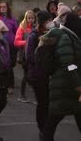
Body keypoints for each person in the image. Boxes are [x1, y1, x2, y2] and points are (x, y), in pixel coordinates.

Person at [38, 12, 81, 141]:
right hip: (64, 86)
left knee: (57, 117)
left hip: (67, 85)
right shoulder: (66, 38)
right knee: (54, 118)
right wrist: (77, 85)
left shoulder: (72, 37)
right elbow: (68, 64)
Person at [25, 11, 52, 140]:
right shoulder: (33, 36)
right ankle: (42, 129)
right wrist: (42, 60)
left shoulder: (50, 34)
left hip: (47, 74)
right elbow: (29, 56)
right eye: (48, 21)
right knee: (43, 102)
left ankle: (46, 128)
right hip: (37, 75)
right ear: (42, 22)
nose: (50, 23)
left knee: (48, 102)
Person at [0, 1, 18, 94]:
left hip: (11, 46)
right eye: (1, 7)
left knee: (10, 65)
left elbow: (17, 32)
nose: (3, 9)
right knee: (3, 65)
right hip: (0, 46)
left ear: (8, 8)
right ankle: (5, 85)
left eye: (5, 7)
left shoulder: (12, 19)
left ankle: (10, 85)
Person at [14, 10, 35, 103]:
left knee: (34, 75)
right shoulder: (22, 28)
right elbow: (16, 42)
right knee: (26, 75)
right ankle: (22, 95)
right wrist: (27, 43)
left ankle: (36, 96)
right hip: (25, 55)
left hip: (34, 55)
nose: (31, 20)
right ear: (26, 19)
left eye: (32, 18)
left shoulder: (36, 28)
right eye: (29, 18)